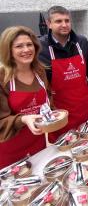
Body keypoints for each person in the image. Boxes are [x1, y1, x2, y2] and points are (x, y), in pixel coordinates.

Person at [39, 6, 88, 142]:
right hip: (60, 109)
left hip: (84, 103)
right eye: (58, 21)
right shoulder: (40, 47)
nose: (64, 25)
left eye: (67, 20)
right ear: (49, 23)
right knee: (65, 145)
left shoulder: (81, 41)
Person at [0, 26, 49, 169]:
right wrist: (23, 119)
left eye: (29, 44)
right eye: (19, 46)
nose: (26, 50)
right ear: (8, 50)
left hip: (37, 142)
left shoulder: (40, 71)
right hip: (11, 148)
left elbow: (48, 101)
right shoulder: (3, 78)